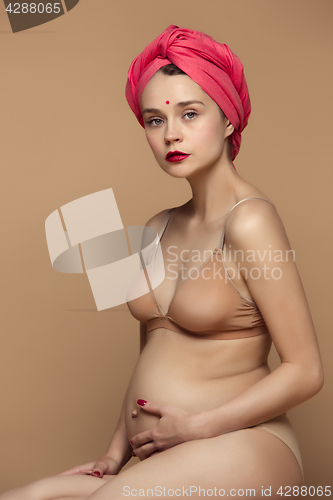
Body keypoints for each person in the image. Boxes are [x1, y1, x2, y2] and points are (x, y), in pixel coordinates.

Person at [0, 24, 324, 500]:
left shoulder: (251, 221)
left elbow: (306, 370)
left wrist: (196, 427)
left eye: (190, 113)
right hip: (165, 451)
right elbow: (152, 352)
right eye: (155, 120)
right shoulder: (157, 227)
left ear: (229, 119)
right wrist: (114, 453)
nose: (172, 134)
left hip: (242, 445)